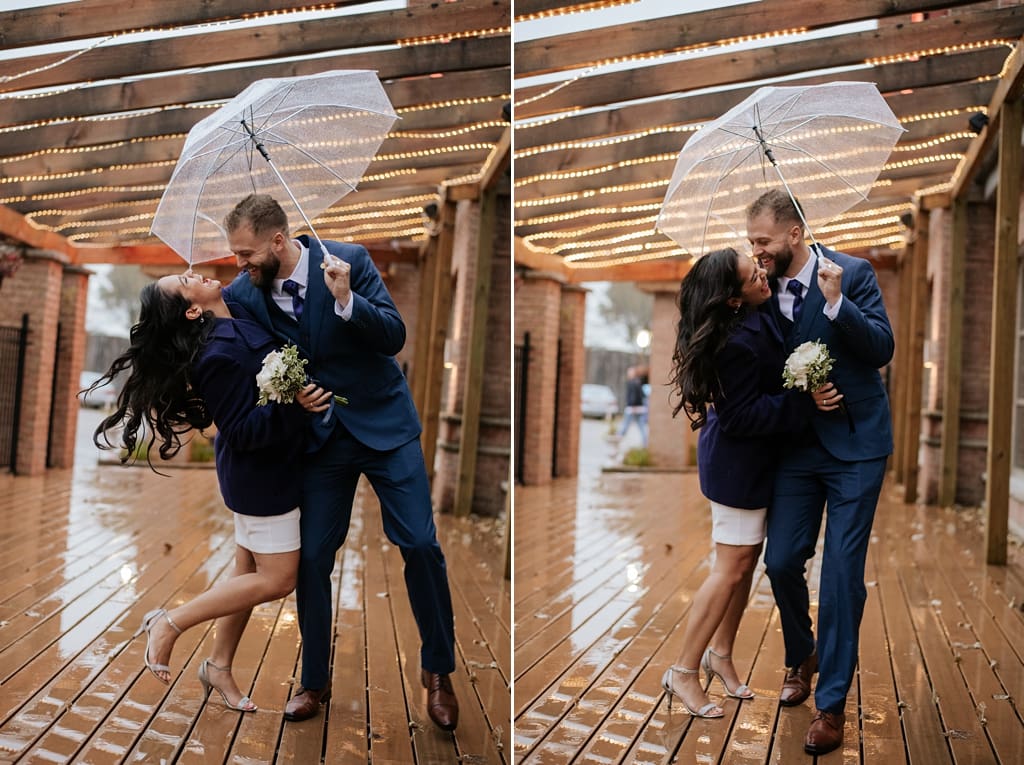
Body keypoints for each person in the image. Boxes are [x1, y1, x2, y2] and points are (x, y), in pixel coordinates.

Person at [221, 194, 458, 730]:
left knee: (420, 544)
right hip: (320, 439)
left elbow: (395, 336)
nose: (238, 265)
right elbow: (247, 360)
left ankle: (438, 671)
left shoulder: (347, 259)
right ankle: (314, 680)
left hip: (385, 427)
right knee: (310, 560)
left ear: (278, 241)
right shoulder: (243, 295)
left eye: (245, 253)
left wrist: (349, 299)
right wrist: (287, 397)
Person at [92, 271, 331, 711]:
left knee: (245, 572)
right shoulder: (216, 355)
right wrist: (290, 403)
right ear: (192, 309)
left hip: (267, 468)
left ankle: (218, 666)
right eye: (186, 280)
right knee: (279, 579)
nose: (197, 271)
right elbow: (239, 431)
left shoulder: (236, 317)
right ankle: (170, 623)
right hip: (260, 477)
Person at [747, 189, 894, 755]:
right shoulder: (759, 290)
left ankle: (830, 705)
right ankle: (800, 653)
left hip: (857, 446)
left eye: (762, 240)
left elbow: (882, 348)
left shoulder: (851, 273)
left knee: (839, 577)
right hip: (797, 450)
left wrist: (837, 305)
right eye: (752, 241)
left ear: (793, 235)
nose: (755, 251)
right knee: (782, 559)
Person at [662, 247, 838, 718]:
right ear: (732, 299)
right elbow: (740, 416)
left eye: (757, 264)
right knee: (730, 567)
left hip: (758, 464)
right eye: (751, 274)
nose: (762, 273)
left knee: (744, 563)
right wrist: (805, 404)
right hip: (737, 467)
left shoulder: (757, 315)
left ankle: (720, 655)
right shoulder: (734, 343)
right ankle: (683, 671)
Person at [617, 366, 648, 447]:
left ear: (633, 373)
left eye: (629, 372)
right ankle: (645, 442)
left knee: (625, 424)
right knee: (641, 425)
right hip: (639, 408)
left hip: (632, 408)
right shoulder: (638, 382)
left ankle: (617, 440)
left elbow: (633, 395)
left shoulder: (632, 382)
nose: (628, 374)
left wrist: (633, 405)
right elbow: (642, 395)